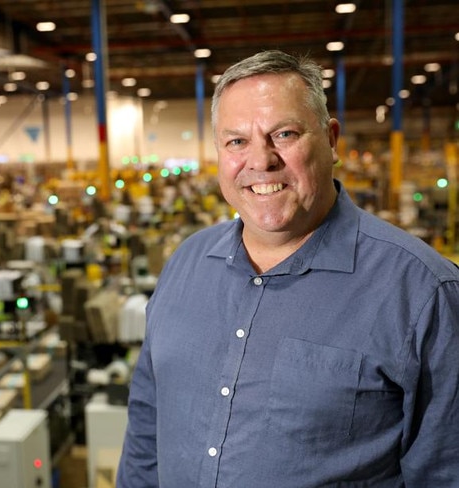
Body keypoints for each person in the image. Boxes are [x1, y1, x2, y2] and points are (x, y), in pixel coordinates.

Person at [116, 50, 459, 487]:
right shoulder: (186, 264)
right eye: (236, 141)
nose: (260, 161)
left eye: (284, 134)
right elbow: (147, 424)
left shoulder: (423, 293)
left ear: (331, 140)